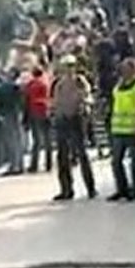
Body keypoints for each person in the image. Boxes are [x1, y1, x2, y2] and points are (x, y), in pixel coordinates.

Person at [51, 55, 97, 201]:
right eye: (66, 66)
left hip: (76, 120)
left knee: (82, 155)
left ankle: (91, 188)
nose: (69, 69)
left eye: (71, 65)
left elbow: (88, 97)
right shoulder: (58, 84)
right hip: (63, 121)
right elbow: (55, 101)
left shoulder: (80, 81)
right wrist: (55, 113)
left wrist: (84, 105)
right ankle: (66, 189)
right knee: (62, 157)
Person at [108, 58, 135, 202]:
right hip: (118, 130)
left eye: (127, 70)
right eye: (122, 70)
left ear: (134, 71)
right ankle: (122, 189)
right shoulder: (117, 87)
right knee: (116, 162)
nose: (123, 72)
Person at [26, 68, 52, 173]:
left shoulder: (31, 84)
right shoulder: (45, 83)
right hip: (45, 112)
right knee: (47, 140)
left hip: (34, 112)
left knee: (36, 141)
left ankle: (34, 165)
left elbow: (26, 98)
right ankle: (48, 164)